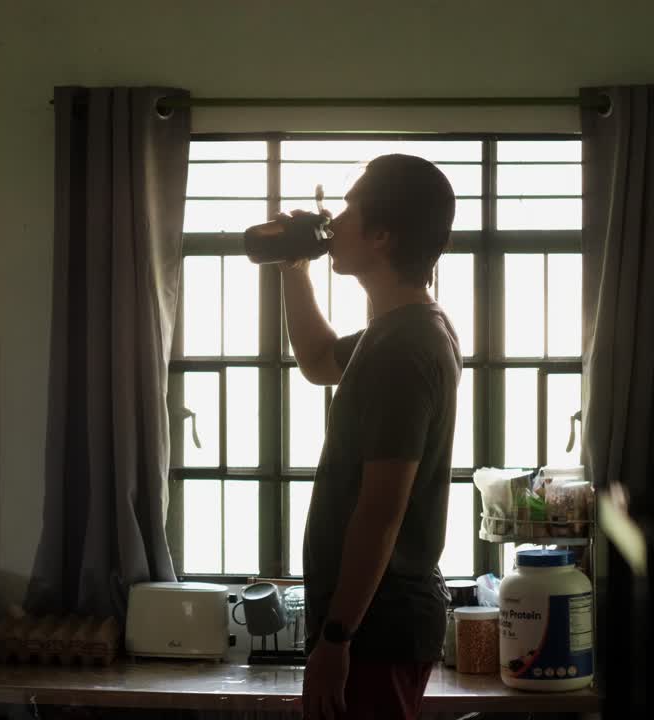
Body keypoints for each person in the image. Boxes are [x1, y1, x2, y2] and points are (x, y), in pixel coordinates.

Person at [286, 154, 462, 720]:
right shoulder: (395, 332)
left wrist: (337, 639)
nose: (332, 224)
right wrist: (294, 266)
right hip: (374, 622)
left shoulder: (403, 351)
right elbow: (316, 360)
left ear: (382, 236)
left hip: (377, 627)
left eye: (348, 211)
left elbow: (380, 511)